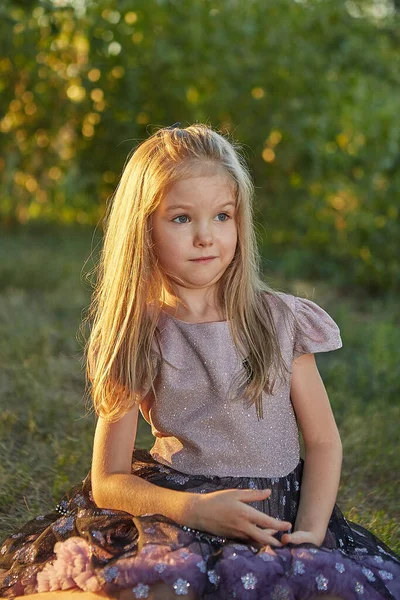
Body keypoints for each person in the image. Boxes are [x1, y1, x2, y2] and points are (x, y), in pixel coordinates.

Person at [0, 123, 399, 600]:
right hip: (182, 512)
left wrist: (310, 537)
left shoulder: (279, 320)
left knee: (328, 590)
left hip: (281, 514)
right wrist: (193, 510)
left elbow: (323, 441)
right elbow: (108, 481)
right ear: (143, 229)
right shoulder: (139, 332)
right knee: (145, 588)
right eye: (182, 219)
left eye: (222, 216)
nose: (206, 237)